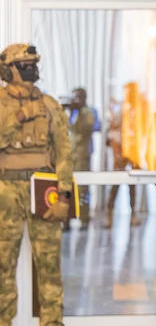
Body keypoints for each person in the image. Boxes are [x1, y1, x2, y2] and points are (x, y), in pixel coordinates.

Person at [0, 44, 73, 326]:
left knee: (49, 263)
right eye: (24, 65)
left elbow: (65, 151)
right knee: (3, 262)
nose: (31, 70)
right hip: (6, 190)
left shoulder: (49, 105)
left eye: (33, 64)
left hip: (43, 189)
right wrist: (19, 116)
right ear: (8, 71)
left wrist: (64, 194)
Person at [64, 88, 100, 227]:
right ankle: (67, 218)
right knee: (67, 186)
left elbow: (87, 129)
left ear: (84, 98)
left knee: (82, 188)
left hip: (82, 155)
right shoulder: (73, 112)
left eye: (77, 97)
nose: (75, 101)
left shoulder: (88, 112)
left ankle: (84, 218)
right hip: (71, 153)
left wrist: (79, 111)